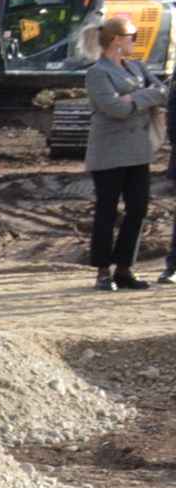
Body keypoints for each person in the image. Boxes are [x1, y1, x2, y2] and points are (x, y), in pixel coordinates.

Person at [83, 15, 164, 293]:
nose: (134, 42)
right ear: (116, 40)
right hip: (109, 153)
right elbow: (115, 109)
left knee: (138, 208)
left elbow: (162, 91)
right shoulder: (97, 73)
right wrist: (140, 98)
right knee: (107, 211)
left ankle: (125, 268)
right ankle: (103, 271)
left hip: (138, 152)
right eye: (132, 37)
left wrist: (134, 99)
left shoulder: (137, 67)